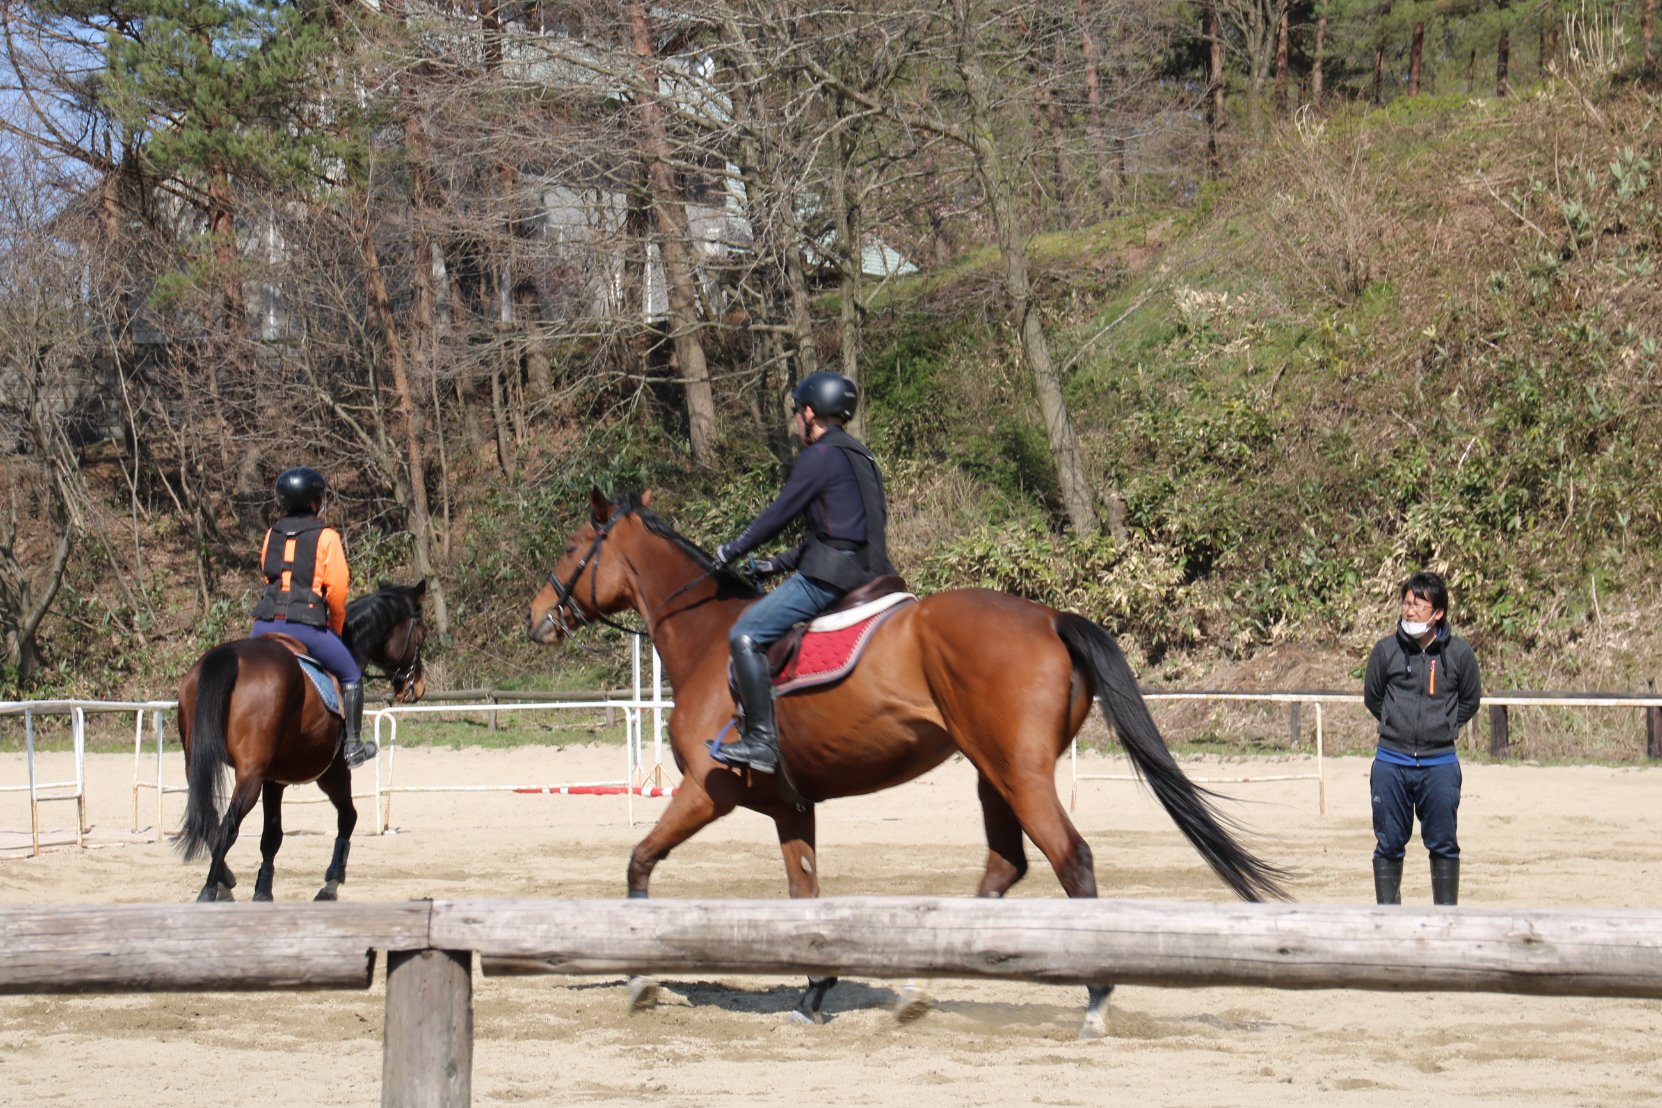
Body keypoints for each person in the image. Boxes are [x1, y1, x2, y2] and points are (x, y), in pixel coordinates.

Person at [708, 371, 896, 774]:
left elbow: (779, 514)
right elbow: (843, 532)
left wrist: (732, 549)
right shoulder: (863, 456)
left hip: (830, 577)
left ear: (810, 413)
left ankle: (760, 741)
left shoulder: (820, 456)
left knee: (744, 633)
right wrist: (775, 564)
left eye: (798, 412)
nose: (797, 421)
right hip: (876, 574)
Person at [1362, 571, 1481, 906]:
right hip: (1391, 763)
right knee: (1388, 844)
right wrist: (1394, 723)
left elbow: (1470, 700)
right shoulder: (1385, 651)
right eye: (1406, 603)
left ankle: (1445, 921)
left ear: (1438, 612)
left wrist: (1443, 726)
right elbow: (1374, 698)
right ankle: (1389, 919)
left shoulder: (1459, 654)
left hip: (1440, 765)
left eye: (1419, 604)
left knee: (1444, 843)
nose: (1409, 611)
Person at [250, 467, 376, 768]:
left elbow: (267, 575)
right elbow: (337, 590)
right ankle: (354, 747)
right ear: (313, 502)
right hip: (305, 625)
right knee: (351, 675)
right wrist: (335, 627)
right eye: (320, 498)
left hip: (263, 624)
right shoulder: (327, 536)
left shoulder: (271, 533)